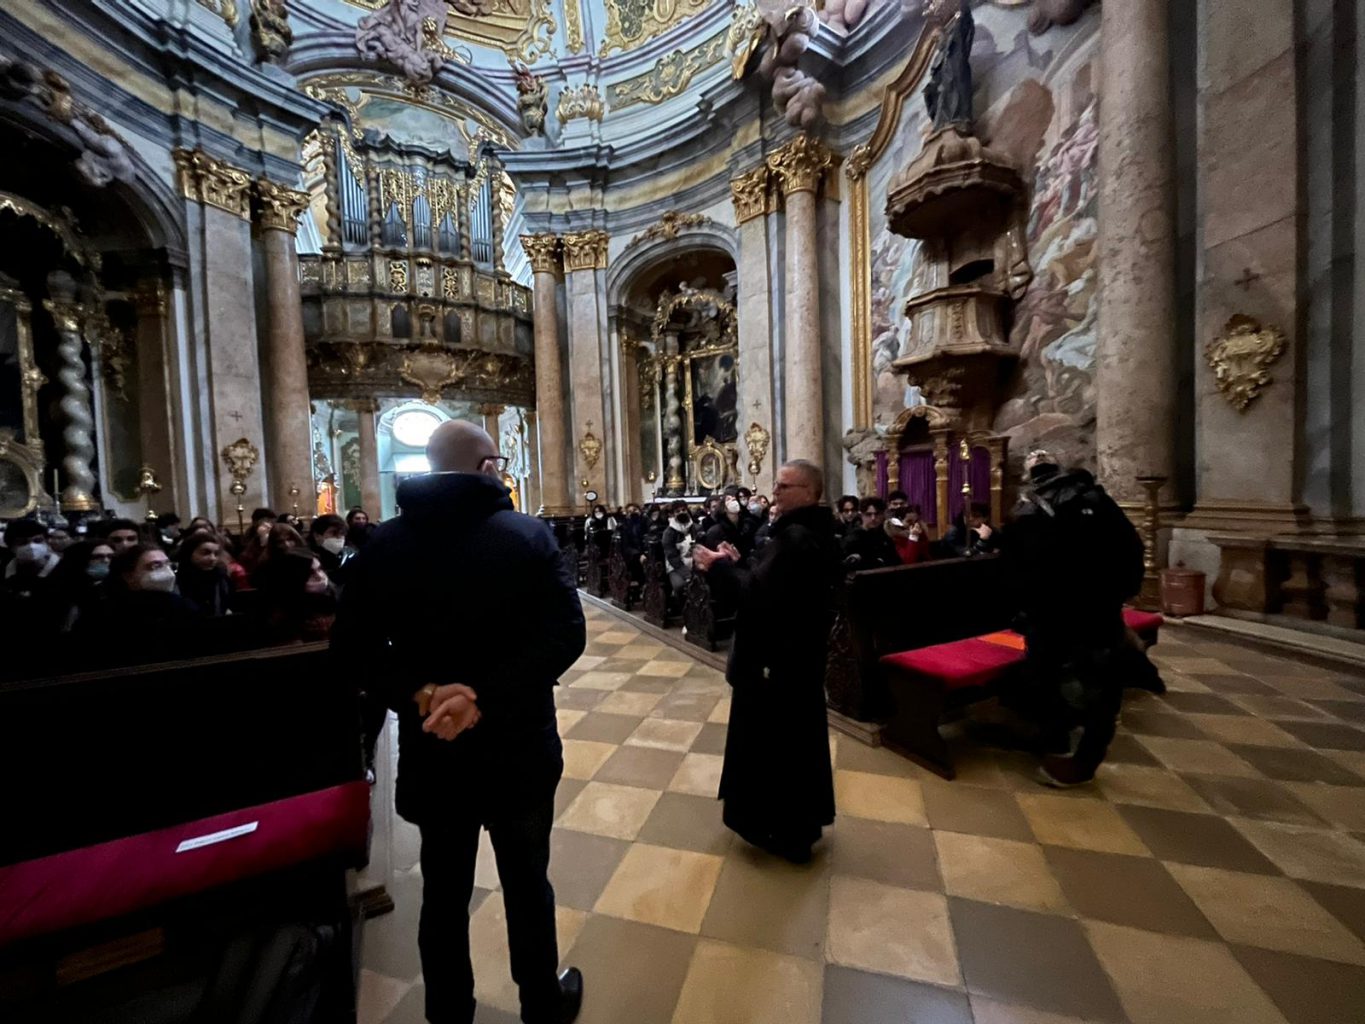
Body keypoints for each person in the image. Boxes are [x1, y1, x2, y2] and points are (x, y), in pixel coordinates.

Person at [333, 420, 584, 1024]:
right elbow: (566, 635)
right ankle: (542, 1004)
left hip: (434, 748)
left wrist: (424, 694)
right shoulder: (526, 535)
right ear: (488, 467)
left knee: (443, 895)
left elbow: (350, 651)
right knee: (528, 884)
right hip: (519, 743)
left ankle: (448, 1014)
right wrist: (483, 696)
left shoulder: (384, 544)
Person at [693, 459, 838, 863]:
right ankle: (797, 826)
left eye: (783, 486)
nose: (774, 492)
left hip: (776, 662)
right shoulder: (810, 531)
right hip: (797, 660)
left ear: (809, 492)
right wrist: (739, 563)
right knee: (795, 743)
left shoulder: (796, 538)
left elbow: (757, 597)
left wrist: (718, 568)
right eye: (776, 485)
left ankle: (780, 831)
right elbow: (772, 584)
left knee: (776, 748)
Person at [1002, 450, 1146, 787]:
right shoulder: (1097, 498)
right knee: (1100, 680)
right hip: (1098, 607)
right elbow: (1132, 549)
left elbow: (1016, 567)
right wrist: (1117, 597)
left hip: (1053, 612)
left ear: (1029, 476)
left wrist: (1023, 609)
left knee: (1047, 674)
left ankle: (1064, 750)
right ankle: (1083, 752)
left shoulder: (1031, 507)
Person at [77, 543, 199, 665]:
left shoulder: (184, 607)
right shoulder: (103, 613)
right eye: (155, 566)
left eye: (167, 564)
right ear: (129, 576)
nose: (167, 571)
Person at [47, 539, 114, 632]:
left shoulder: (112, 587)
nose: (106, 560)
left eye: (110, 556)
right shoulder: (58, 585)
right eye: (97, 557)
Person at [176, 532, 232, 617]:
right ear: (189, 553)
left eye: (216, 554)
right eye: (205, 553)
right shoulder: (177, 581)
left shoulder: (221, 579)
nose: (213, 558)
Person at [841, 496, 901, 569]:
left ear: (882, 514)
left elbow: (895, 560)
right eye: (868, 514)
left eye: (877, 514)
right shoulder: (853, 538)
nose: (873, 518)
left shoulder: (885, 536)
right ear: (862, 515)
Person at [703, 492, 754, 560]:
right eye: (728, 499)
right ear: (724, 508)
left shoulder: (747, 524)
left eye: (734, 498)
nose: (733, 499)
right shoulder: (715, 531)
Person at [309, 513, 353, 588]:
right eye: (334, 533)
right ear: (317, 535)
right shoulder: (307, 559)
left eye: (342, 534)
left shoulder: (349, 556)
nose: (339, 538)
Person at [661, 502, 696, 593]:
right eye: (677, 511)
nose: (681, 513)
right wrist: (687, 574)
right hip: (676, 567)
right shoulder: (668, 533)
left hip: (695, 564)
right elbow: (672, 556)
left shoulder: (694, 527)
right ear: (672, 514)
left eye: (684, 510)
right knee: (680, 586)